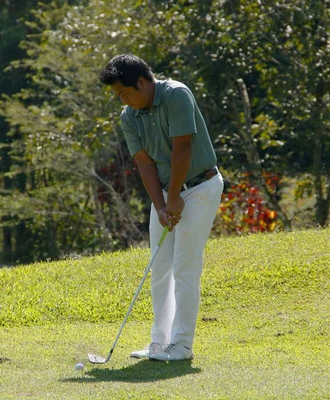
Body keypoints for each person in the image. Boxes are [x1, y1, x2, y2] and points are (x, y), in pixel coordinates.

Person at [98, 54, 223, 361]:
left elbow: (183, 147)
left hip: (199, 187)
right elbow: (144, 163)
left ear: (143, 82)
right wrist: (161, 205)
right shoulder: (129, 116)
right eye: (118, 96)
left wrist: (175, 198)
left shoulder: (176, 94)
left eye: (126, 93)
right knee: (160, 267)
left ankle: (181, 346)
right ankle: (159, 343)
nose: (123, 100)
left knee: (184, 266)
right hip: (168, 193)